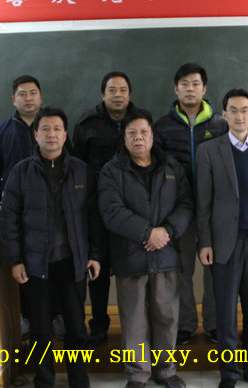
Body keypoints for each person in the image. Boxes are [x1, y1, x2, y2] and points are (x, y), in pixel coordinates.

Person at [0, 106, 103, 388]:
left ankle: (79, 380)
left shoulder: (81, 171)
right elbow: (9, 220)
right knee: (40, 330)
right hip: (36, 265)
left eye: (57, 129)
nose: (51, 134)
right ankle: (44, 381)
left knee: (76, 328)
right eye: (45, 129)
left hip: (73, 262)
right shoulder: (21, 172)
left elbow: (93, 218)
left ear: (65, 134)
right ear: (36, 134)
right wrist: (15, 260)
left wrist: (95, 255)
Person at [99, 109, 193, 388]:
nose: (138, 138)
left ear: (153, 136)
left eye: (143, 132)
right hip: (130, 256)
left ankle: (166, 371)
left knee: (167, 316)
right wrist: (147, 233)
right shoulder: (111, 171)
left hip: (166, 253)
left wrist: (166, 232)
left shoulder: (172, 167)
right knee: (134, 320)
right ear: (124, 138)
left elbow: (186, 204)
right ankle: (138, 374)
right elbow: (111, 212)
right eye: (132, 133)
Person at [196, 89, 248, 388]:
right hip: (223, 244)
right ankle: (229, 372)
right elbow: (203, 201)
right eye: (233, 110)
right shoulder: (208, 150)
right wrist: (205, 241)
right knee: (226, 313)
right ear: (224, 114)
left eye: (245, 110)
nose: (240, 115)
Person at [155, 63, 227, 345]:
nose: (190, 89)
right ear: (175, 89)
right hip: (178, 210)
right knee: (182, 269)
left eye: (195, 84)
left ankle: (214, 323)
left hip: (214, 209)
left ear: (204, 88)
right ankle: (185, 324)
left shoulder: (220, 124)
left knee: (215, 267)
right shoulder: (162, 126)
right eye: (184, 84)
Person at [72, 71, 136, 345]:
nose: (117, 95)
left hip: (132, 208)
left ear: (129, 94)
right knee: (97, 268)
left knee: (133, 271)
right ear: (103, 94)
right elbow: (76, 165)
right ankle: (98, 325)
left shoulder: (140, 120)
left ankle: (136, 328)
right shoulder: (87, 123)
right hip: (96, 208)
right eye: (112, 90)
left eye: (123, 90)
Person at [0, 74, 43, 204]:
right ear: (14, 100)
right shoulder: (0, 132)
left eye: (32, 93)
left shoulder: (54, 129)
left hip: (49, 201)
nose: (28, 98)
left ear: (40, 98)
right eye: (22, 94)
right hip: (14, 202)